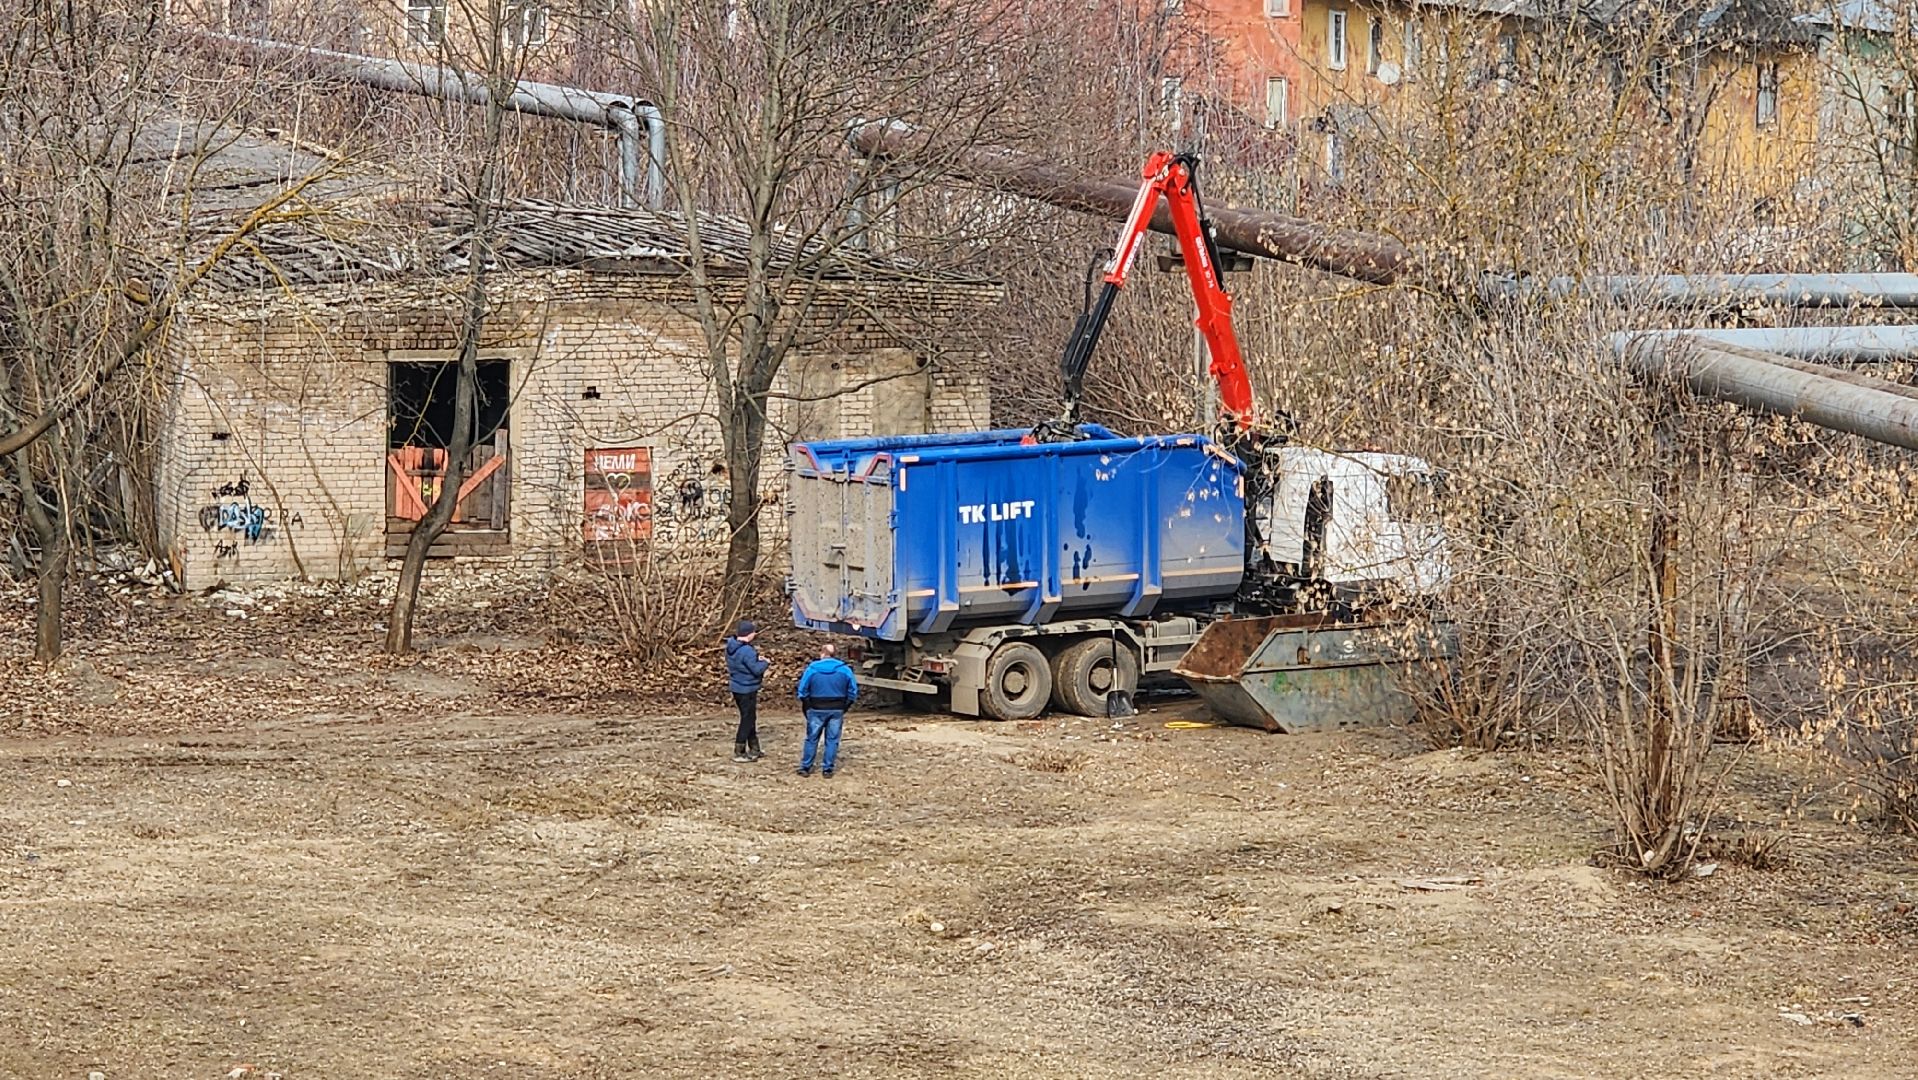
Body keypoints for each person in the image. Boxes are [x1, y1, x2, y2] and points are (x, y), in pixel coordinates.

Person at [794, 643, 858, 778]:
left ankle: (806, 767)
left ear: (822, 654)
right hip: (837, 708)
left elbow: (802, 690)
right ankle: (827, 769)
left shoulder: (812, 669)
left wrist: (807, 704)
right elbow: (852, 691)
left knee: (811, 739)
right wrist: (845, 706)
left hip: (816, 707)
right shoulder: (845, 670)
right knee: (832, 739)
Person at [725, 620, 770, 763]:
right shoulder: (747, 651)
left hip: (737, 687)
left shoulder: (731, 646)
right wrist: (765, 663)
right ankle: (739, 751)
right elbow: (756, 670)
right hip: (747, 688)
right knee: (747, 719)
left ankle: (755, 748)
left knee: (749, 717)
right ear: (749, 634)